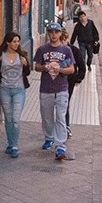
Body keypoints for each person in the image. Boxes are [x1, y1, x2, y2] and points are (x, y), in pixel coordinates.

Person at [33, 22, 75, 160]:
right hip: (46, 89)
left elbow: (71, 69)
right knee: (47, 116)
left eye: (56, 32)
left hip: (62, 89)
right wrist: (45, 67)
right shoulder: (42, 50)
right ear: (48, 33)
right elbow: (36, 67)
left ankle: (60, 145)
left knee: (61, 117)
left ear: (60, 34)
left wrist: (60, 70)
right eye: (51, 32)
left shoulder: (66, 50)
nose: (53, 35)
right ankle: (49, 137)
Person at [0, 32, 32, 158]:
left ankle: (15, 145)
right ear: (8, 42)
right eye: (14, 41)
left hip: (19, 90)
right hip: (5, 90)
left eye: (18, 41)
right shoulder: (0, 56)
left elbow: (28, 73)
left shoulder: (22, 55)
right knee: (8, 119)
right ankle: (10, 144)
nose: (16, 44)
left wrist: (26, 65)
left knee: (15, 119)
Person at [60, 28, 86, 139]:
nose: (61, 43)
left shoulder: (74, 50)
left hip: (69, 81)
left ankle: (66, 126)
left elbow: (81, 66)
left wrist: (78, 79)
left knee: (65, 104)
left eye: (63, 40)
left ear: (67, 39)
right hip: (56, 81)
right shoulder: (55, 50)